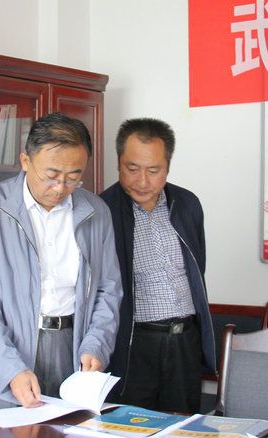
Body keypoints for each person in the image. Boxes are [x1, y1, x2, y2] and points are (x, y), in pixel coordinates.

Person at [0, 112, 121, 409]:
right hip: (4, 355)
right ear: (25, 161)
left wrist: (96, 344)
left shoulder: (96, 211)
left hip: (73, 350)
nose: (60, 188)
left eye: (73, 178)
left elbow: (108, 288)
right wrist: (11, 369)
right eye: (51, 176)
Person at [100, 118, 214, 413]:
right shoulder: (102, 211)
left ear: (167, 167)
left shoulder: (187, 204)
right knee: (129, 428)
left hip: (184, 342)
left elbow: (197, 269)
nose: (142, 181)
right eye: (132, 169)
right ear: (118, 162)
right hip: (133, 344)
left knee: (184, 428)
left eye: (153, 171)